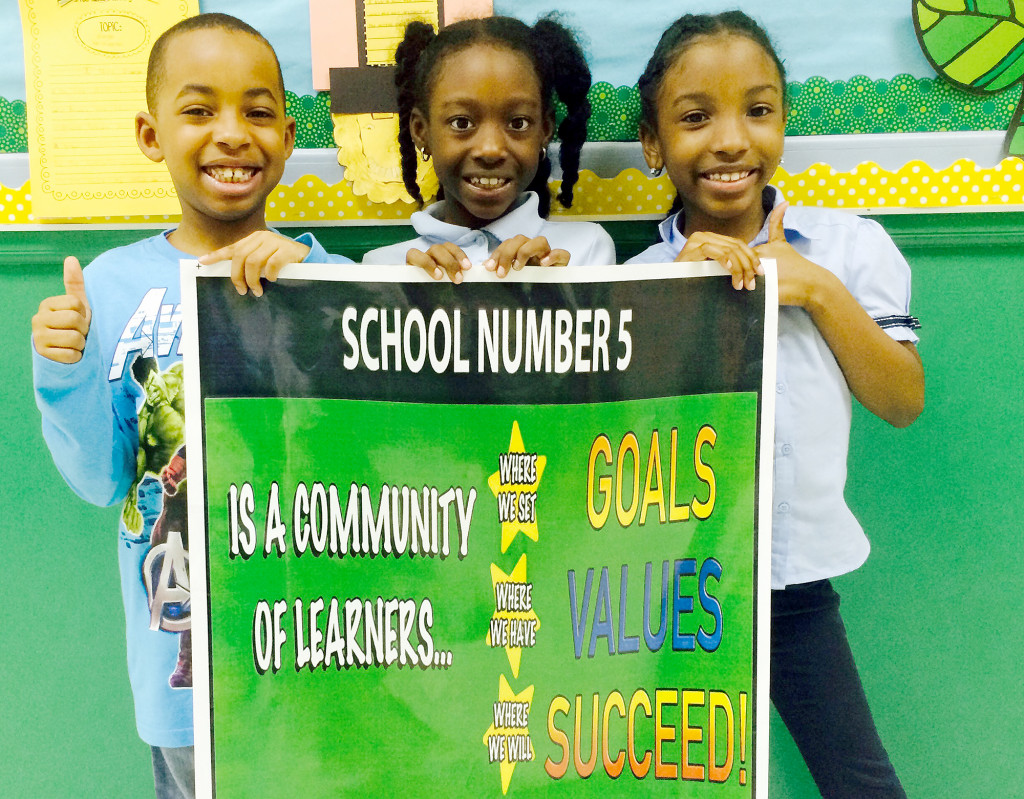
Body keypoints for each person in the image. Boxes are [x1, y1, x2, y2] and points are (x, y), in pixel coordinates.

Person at [30, 13, 350, 799]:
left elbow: (362, 445)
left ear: (290, 131)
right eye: (200, 110)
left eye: (259, 110)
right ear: (151, 133)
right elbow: (103, 480)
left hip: (323, 650)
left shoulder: (330, 275)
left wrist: (307, 271)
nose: (232, 135)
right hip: (185, 681)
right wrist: (60, 368)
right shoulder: (108, 286)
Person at [627, 11, 924, 798]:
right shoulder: (638, 275)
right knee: (666, 782)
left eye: (758, 111)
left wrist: (818, 291)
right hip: (669, 592)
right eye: (695, 118)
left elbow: (902, 399)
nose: (731, 141)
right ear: (654, 145)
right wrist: (679, 294)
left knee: (862, 783)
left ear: (783, 122)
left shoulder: (851, 249)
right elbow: (622, 437)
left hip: (794, 589)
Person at [361, 15, 616, 278]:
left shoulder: (586, 251)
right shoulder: (385, 269)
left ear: (545, 129)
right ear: (420, 131)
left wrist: (557, 291)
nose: (491, 149)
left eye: (518, 123)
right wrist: (411, 295)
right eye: (461, 122)